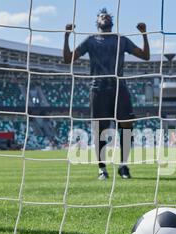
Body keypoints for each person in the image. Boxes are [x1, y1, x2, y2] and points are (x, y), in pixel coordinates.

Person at [63, 8, 150, 180]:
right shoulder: (90, 40)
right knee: (100, 130)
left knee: (126, 126)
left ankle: (123, 166)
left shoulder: (121, 40)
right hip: (98, 89)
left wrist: (144, 34)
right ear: (97, 22)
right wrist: (66, 36)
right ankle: (102, 168)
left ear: (112, 21)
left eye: (107, 16)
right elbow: (68, 59)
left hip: (119, 87)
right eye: (102, 16)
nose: (105, 17)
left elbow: (145, 56)